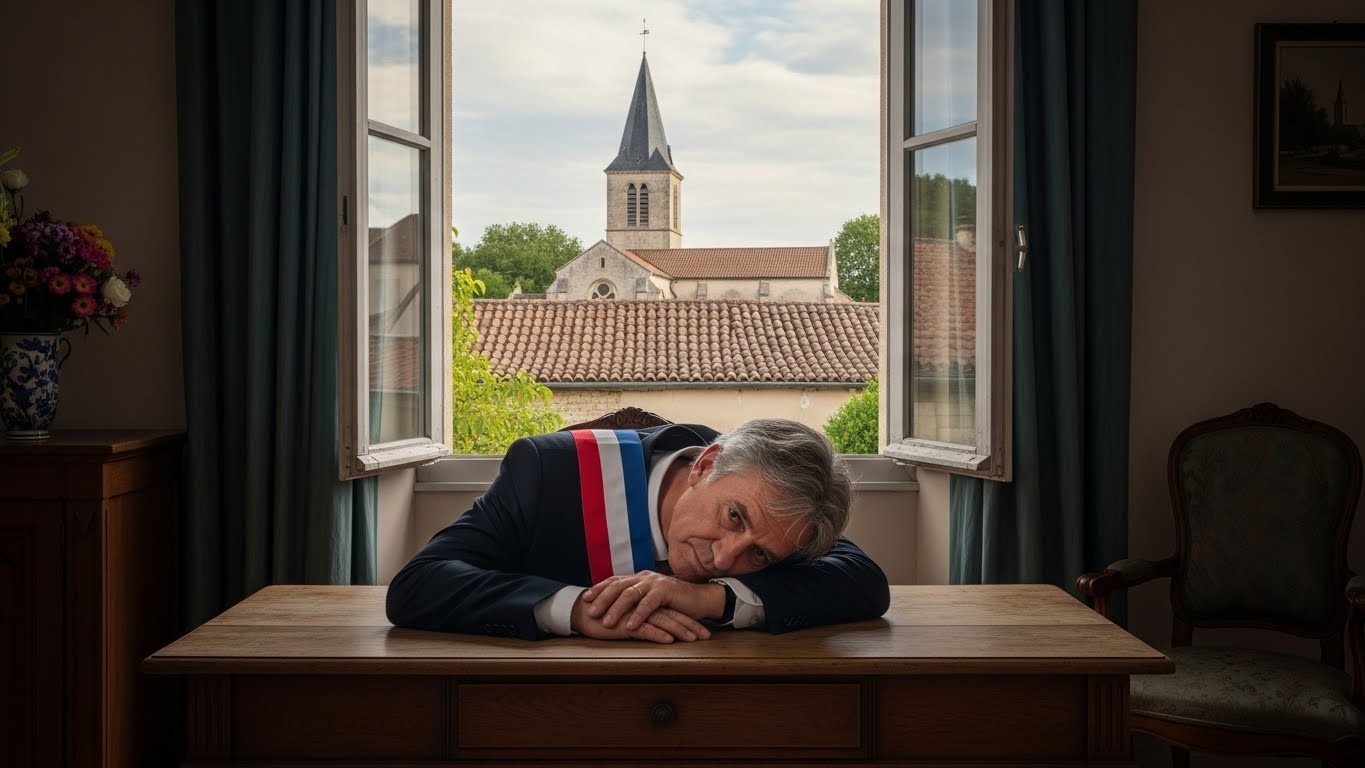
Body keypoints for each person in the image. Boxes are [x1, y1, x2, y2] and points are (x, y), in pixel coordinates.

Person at [386, 418, 890, 642]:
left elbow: (863, 579)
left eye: (758, 557)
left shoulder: (781, 512)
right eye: (734, 517)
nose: (725, 558)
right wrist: (573, 609)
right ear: (705, 464)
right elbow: (419, 585)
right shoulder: (546, 471)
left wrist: (712, 600)